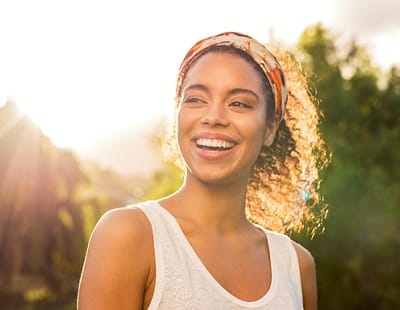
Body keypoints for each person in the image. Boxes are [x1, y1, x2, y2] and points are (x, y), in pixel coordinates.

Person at [77, 31, 328, 309]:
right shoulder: (128, 236)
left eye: (239, 103)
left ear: (270, 128)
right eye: (196, 99)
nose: (214, 117)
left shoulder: (296, 267)